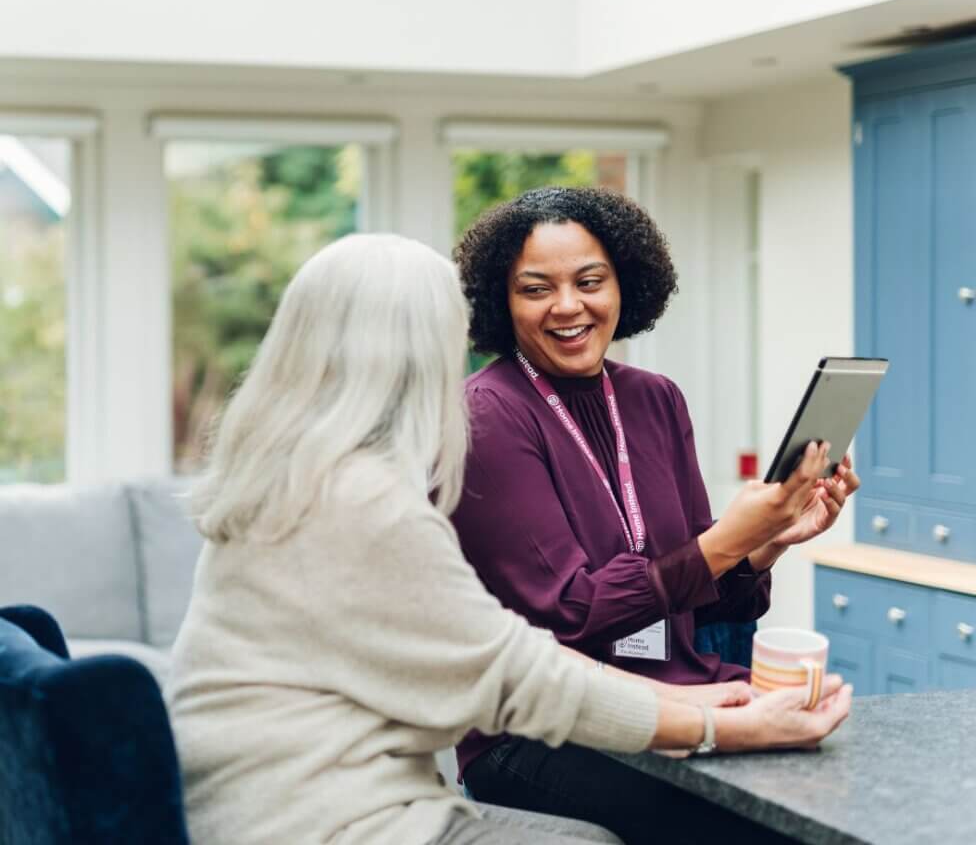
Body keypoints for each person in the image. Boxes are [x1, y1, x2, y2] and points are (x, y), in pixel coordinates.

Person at [168, 232, 852, 845]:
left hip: (264, 803)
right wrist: (715, 725)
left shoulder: (289, 480)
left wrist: (692, 683)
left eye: (589, 281)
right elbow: (520, 672)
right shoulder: (367, 499)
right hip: (325, 817)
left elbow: (504, 651)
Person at [451, 187, 860, 843]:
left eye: (590, 281)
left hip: (684, 693)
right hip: (543, 734)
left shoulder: (655, 400)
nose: (567, 306)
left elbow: (714, 604)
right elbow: (574, 612)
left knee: (842, 798)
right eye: (535, 289)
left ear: (626, 287)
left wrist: (766, 544)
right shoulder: (486, 415)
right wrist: (727, 539)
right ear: (500, 301)